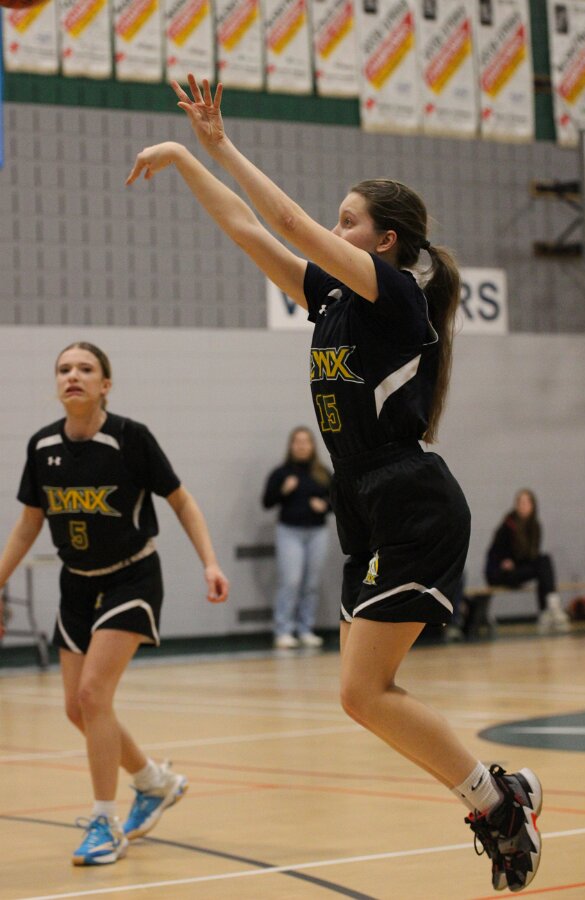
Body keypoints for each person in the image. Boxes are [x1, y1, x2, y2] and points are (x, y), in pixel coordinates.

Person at [126, 75, 542, 893]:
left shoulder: (397, 298)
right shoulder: (334, 302)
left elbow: (288, 222)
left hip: (410, 499)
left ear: (384, 241)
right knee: (362, 695)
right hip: (364, 500)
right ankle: (500, 798)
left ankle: (498, 804)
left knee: (365, 691)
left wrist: (217, 142)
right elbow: (250, 229)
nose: (332, 227)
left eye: (347, 220)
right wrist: (182, 157)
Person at [0, 342, 229, 866]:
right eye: (64, 369)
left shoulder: (130, 438)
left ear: (105, 385)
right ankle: (153, 781)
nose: (72, 375)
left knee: (92, 694)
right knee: (76, 707)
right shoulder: (41, 446)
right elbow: (29, 525)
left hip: (132, 578)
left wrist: (210, 563)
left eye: (85, 369)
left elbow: (181, 501)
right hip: (76, 584)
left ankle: (105, 822)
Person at [262, 426, 331, 649]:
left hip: (317, 532)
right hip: (289, 531)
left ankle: (305, 629)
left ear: (312, 446)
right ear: (291, 446)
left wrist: (325, 505)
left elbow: (338, 500)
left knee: (311, 583)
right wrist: (283, 490)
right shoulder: (281, 473)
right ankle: (283, 630)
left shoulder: (322, 473)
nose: (301, 446)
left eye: (306, 442)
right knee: (290, 581)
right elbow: (267, 502)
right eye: (297, 442)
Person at [485, 488, 569, 634]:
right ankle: (550, 608)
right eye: (519, 502)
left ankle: (548, 610)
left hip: (518, 568)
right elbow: (494, 553)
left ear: (532, 506)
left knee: (544, 561)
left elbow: (532, 555)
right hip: (500, 573)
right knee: (543, 566)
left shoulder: (535, 526)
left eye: (526, 502)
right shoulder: (508, 525)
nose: (522, 506)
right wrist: (503, 562)